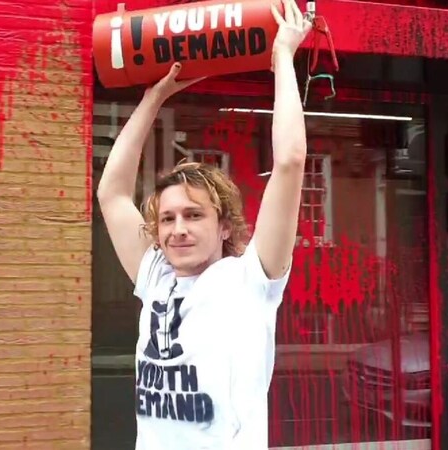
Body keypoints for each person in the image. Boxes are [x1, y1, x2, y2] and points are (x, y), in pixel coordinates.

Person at [95, 0, 313, 448]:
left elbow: (290, 161)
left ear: (225, 227)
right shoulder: (155, 276)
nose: (179, 229)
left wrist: (284, 60)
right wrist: (154, 98)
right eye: (169, 218)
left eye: (195, 215)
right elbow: (112, 193)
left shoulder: (252, 280)